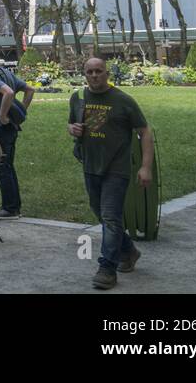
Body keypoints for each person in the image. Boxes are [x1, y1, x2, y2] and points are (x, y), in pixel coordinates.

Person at [69, 57, 153, 290]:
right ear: (84, 74)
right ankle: (129, 250)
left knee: (110, 217)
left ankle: (107, 268)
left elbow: (145, 131)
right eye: (89, 72)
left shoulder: (123, 100)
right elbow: (71, 125)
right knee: (102, 215)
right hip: (89, 166)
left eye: (99, 71)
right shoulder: (78, 98)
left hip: (116, 168)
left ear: (107, 73)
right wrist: (71, 128)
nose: (94, 75)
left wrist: (145, 167)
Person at [0, 48, 33, 219]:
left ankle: (10, 209)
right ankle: (14, 206)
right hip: (11, 127)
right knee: (8, 166)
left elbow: (9, 93)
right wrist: (22, 112)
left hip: (0, 128)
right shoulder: (7, 73)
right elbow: (30, 90)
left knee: (2, 167)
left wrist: (2, 115)